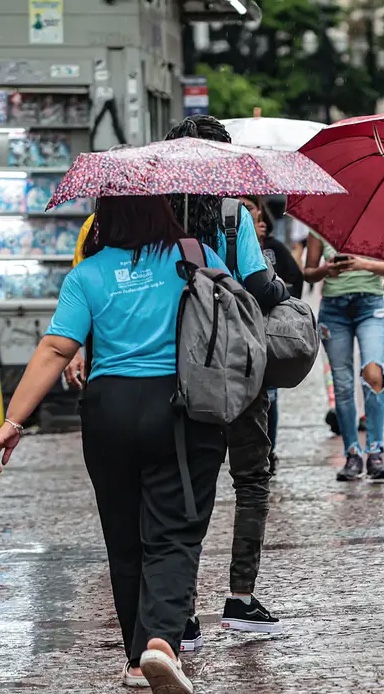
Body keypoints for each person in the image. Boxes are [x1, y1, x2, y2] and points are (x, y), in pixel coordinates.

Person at [0, 196, 229, 694]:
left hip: (109, 410)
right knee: (175, 528)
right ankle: (161, 641)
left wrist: (13, 421)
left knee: (124, 537)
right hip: (180, 406)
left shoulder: (87, 274)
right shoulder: (196, 255)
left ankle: (136, 659)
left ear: (103, 219)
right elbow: (229, 323)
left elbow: (56, 347)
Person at [164, 116, 290, 642]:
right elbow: (260, 287)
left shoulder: (157, 217)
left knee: (187, 486)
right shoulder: (234, 215)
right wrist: (280, 287)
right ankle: (240, 598)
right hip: (239, 368)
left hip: (179, 367)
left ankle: (182, 609)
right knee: (251, 479)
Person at [303, 231, 384, 482]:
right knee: (343, 385)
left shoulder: (375, 222)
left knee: (373, 373)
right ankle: (352, 454)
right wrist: (326, 270)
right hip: (333, 311)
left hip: (371, 306)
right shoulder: (320, 226)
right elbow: (308, 272)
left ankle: (375, 452)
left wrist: (362, 264)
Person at [240, 195, 304, 476]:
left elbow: (295, 278)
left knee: (268, 395)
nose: (243, 212)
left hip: (265, 330)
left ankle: (267, 451)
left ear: (260, 213)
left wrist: (285, 304)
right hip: (237, 330)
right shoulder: (225, 242)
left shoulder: (273, 248)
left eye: (248, 208)